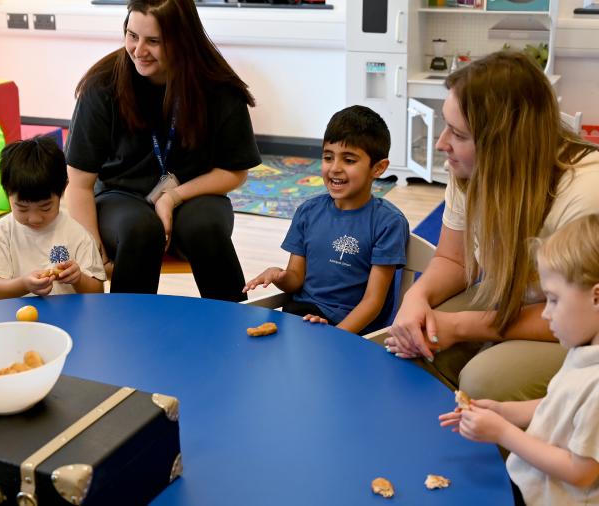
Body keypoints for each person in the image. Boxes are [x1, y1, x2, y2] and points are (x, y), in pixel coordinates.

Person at [384, 51, 599, 402]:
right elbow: (455, 261)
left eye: (457, 133)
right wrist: (415, 297)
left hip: (577, 324)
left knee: (484, 380)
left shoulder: (585, 191)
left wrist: (466, 325)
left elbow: (583, 313)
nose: (441, 144)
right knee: (410, 346)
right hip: (512, 302)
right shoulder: (470, 168)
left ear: (505, 143)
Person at [64, 0, 261, 301]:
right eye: (132, 36)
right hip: (120, 197)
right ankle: (126, 331)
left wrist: (172, 197)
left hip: (193, 193)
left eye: (153, 41)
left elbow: (234, 171)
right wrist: (90, 246)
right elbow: (79, 184)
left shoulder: (217, 86)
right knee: (140, 229)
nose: (138, 50)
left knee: (205, 227)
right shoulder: (102, 86)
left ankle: (240, 327)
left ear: (183, 40)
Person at [439, 214, 599, 506]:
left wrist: (503, 433)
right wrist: (504, 411)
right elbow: (559, 402)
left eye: (553, 300)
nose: (546, 313)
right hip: (535, 485)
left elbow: (581, 472)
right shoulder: (585, 350)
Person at [243, 106, 409, 335]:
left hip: (351, 329)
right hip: (301, 314)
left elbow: (373, 303)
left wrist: (336, 335)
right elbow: (295, 280)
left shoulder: (388, 223)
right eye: (328, 157)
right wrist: (279, 276)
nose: (335, 168)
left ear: (378, 168)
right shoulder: (308, 212)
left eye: (349, 160)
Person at [0, 136, 105, 299]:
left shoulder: (77, 235)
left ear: (63, 190)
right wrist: (24, 284)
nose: (34, 218)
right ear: (7, 194)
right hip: (20, 320)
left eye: (45, 207)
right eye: (22, 208)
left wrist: (78, 279)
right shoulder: (2, 233)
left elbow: (98, 292)